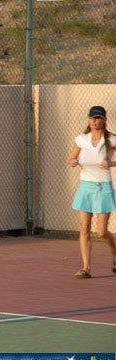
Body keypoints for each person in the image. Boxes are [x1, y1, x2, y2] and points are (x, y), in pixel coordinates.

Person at [68, 105, 116, 279]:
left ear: (104, 120)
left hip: (103, 186)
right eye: (92, 118)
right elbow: (72, 157)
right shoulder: (81, 139)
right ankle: (86, 267)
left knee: (102, 232)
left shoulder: (111, 139)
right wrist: (73, 161)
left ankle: (115, 252)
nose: (94, 121)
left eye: (97, 118)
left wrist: (111, 163)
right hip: (85, 186)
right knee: (84, 229)